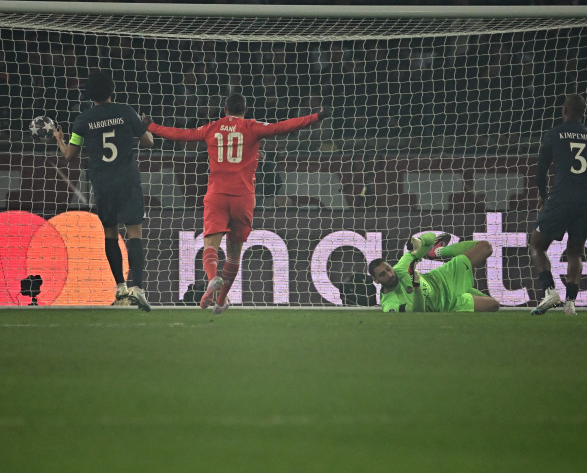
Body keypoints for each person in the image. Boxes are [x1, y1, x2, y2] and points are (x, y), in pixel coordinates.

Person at [145, 93, 327, 314]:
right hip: (243, 197)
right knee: (233, 254)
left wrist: (151, 126)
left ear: (224, 110)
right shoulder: (252, 127)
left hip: (217, 195)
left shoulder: (211, 128)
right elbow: (284, 126)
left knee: (210, 244)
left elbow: (180, 134)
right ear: (245, 110)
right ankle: (221, 300)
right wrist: (316, 116)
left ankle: (213, 278)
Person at [53, 70, 154, 311]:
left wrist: (59, 139)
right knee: (135, 233)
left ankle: (120, 289)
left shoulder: (83, 120)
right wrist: (143, 124)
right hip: (127, 179)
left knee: (110, 233)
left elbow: (69, 155)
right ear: (112, 90)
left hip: (103, 182)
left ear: (90, 95)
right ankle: (138, 288)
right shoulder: (126, 111)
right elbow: (149, 141)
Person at [530, 94, 587, 316]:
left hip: (562, 194)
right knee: (575, 251)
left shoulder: (553, 134)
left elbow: (541, 170)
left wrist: (542, 194)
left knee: (537, 244)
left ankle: (549, 291)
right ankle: (570, 304)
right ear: (583, 113)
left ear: (563, 110)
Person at [368, 232, 500, 313]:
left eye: (388, 269)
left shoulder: (401, 269)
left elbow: (430, 238)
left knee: (485, 247)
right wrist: (416, 286)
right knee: (494, 305)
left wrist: (419, 242)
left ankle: (437, 252)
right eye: (382, 274)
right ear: (376, 280)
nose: (390, 274)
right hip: (448, 304)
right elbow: (417, 311)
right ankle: (463, 291)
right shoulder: (389, 304)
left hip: (443, 278)